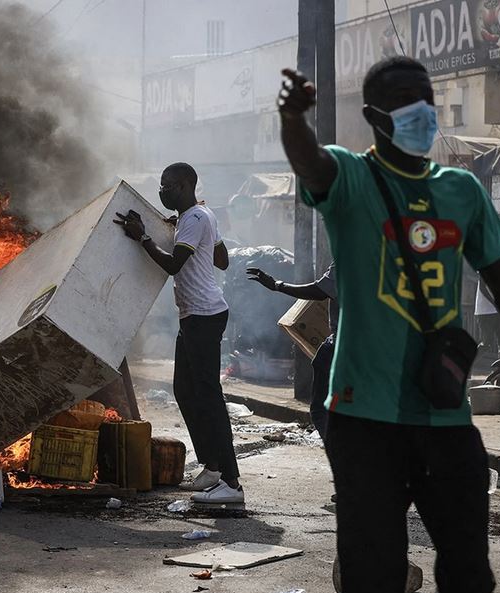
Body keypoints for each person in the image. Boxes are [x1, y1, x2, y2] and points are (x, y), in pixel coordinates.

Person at [278, 57, 500, 593]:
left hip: (443, 417)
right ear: (375, 116)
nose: (420, 110)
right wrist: (293, 119)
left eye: (424, 97)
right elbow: (310, 163)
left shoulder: (460, 189)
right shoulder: (352, 179)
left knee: (471, 581)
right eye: (404, 99)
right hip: (365, 421)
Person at [114, 162, 243, 505]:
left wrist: (142, 236)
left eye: (168, 186)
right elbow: (223, 259)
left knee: (210, 397)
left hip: (204, 316)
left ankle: (232, 483)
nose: (163, 192)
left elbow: (173, 265)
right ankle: (212, 469)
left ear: (186, 185)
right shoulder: (200, 217)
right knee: (184, 390)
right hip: (194, 317)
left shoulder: (196, 218)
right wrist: (186, 232)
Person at [247, 262, 337, 439]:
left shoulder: (350, 251)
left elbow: (320, 291)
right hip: (373, 345)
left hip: (342, 343)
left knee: (321, 410)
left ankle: (341, 456)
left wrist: (277, 285)